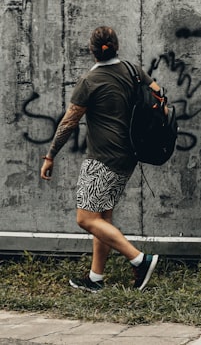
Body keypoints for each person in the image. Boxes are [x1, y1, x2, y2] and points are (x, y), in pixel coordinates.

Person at [40, 26, 161, 292]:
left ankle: (140, 260)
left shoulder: (90, 81)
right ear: (116, 46)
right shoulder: (132, 71)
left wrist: (50, 155)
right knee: (102, 219)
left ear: (92, 50)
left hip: (102, 159)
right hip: (128, 157)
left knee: (85, 219)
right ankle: (95, 279)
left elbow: (69, 123)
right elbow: (158, 94)